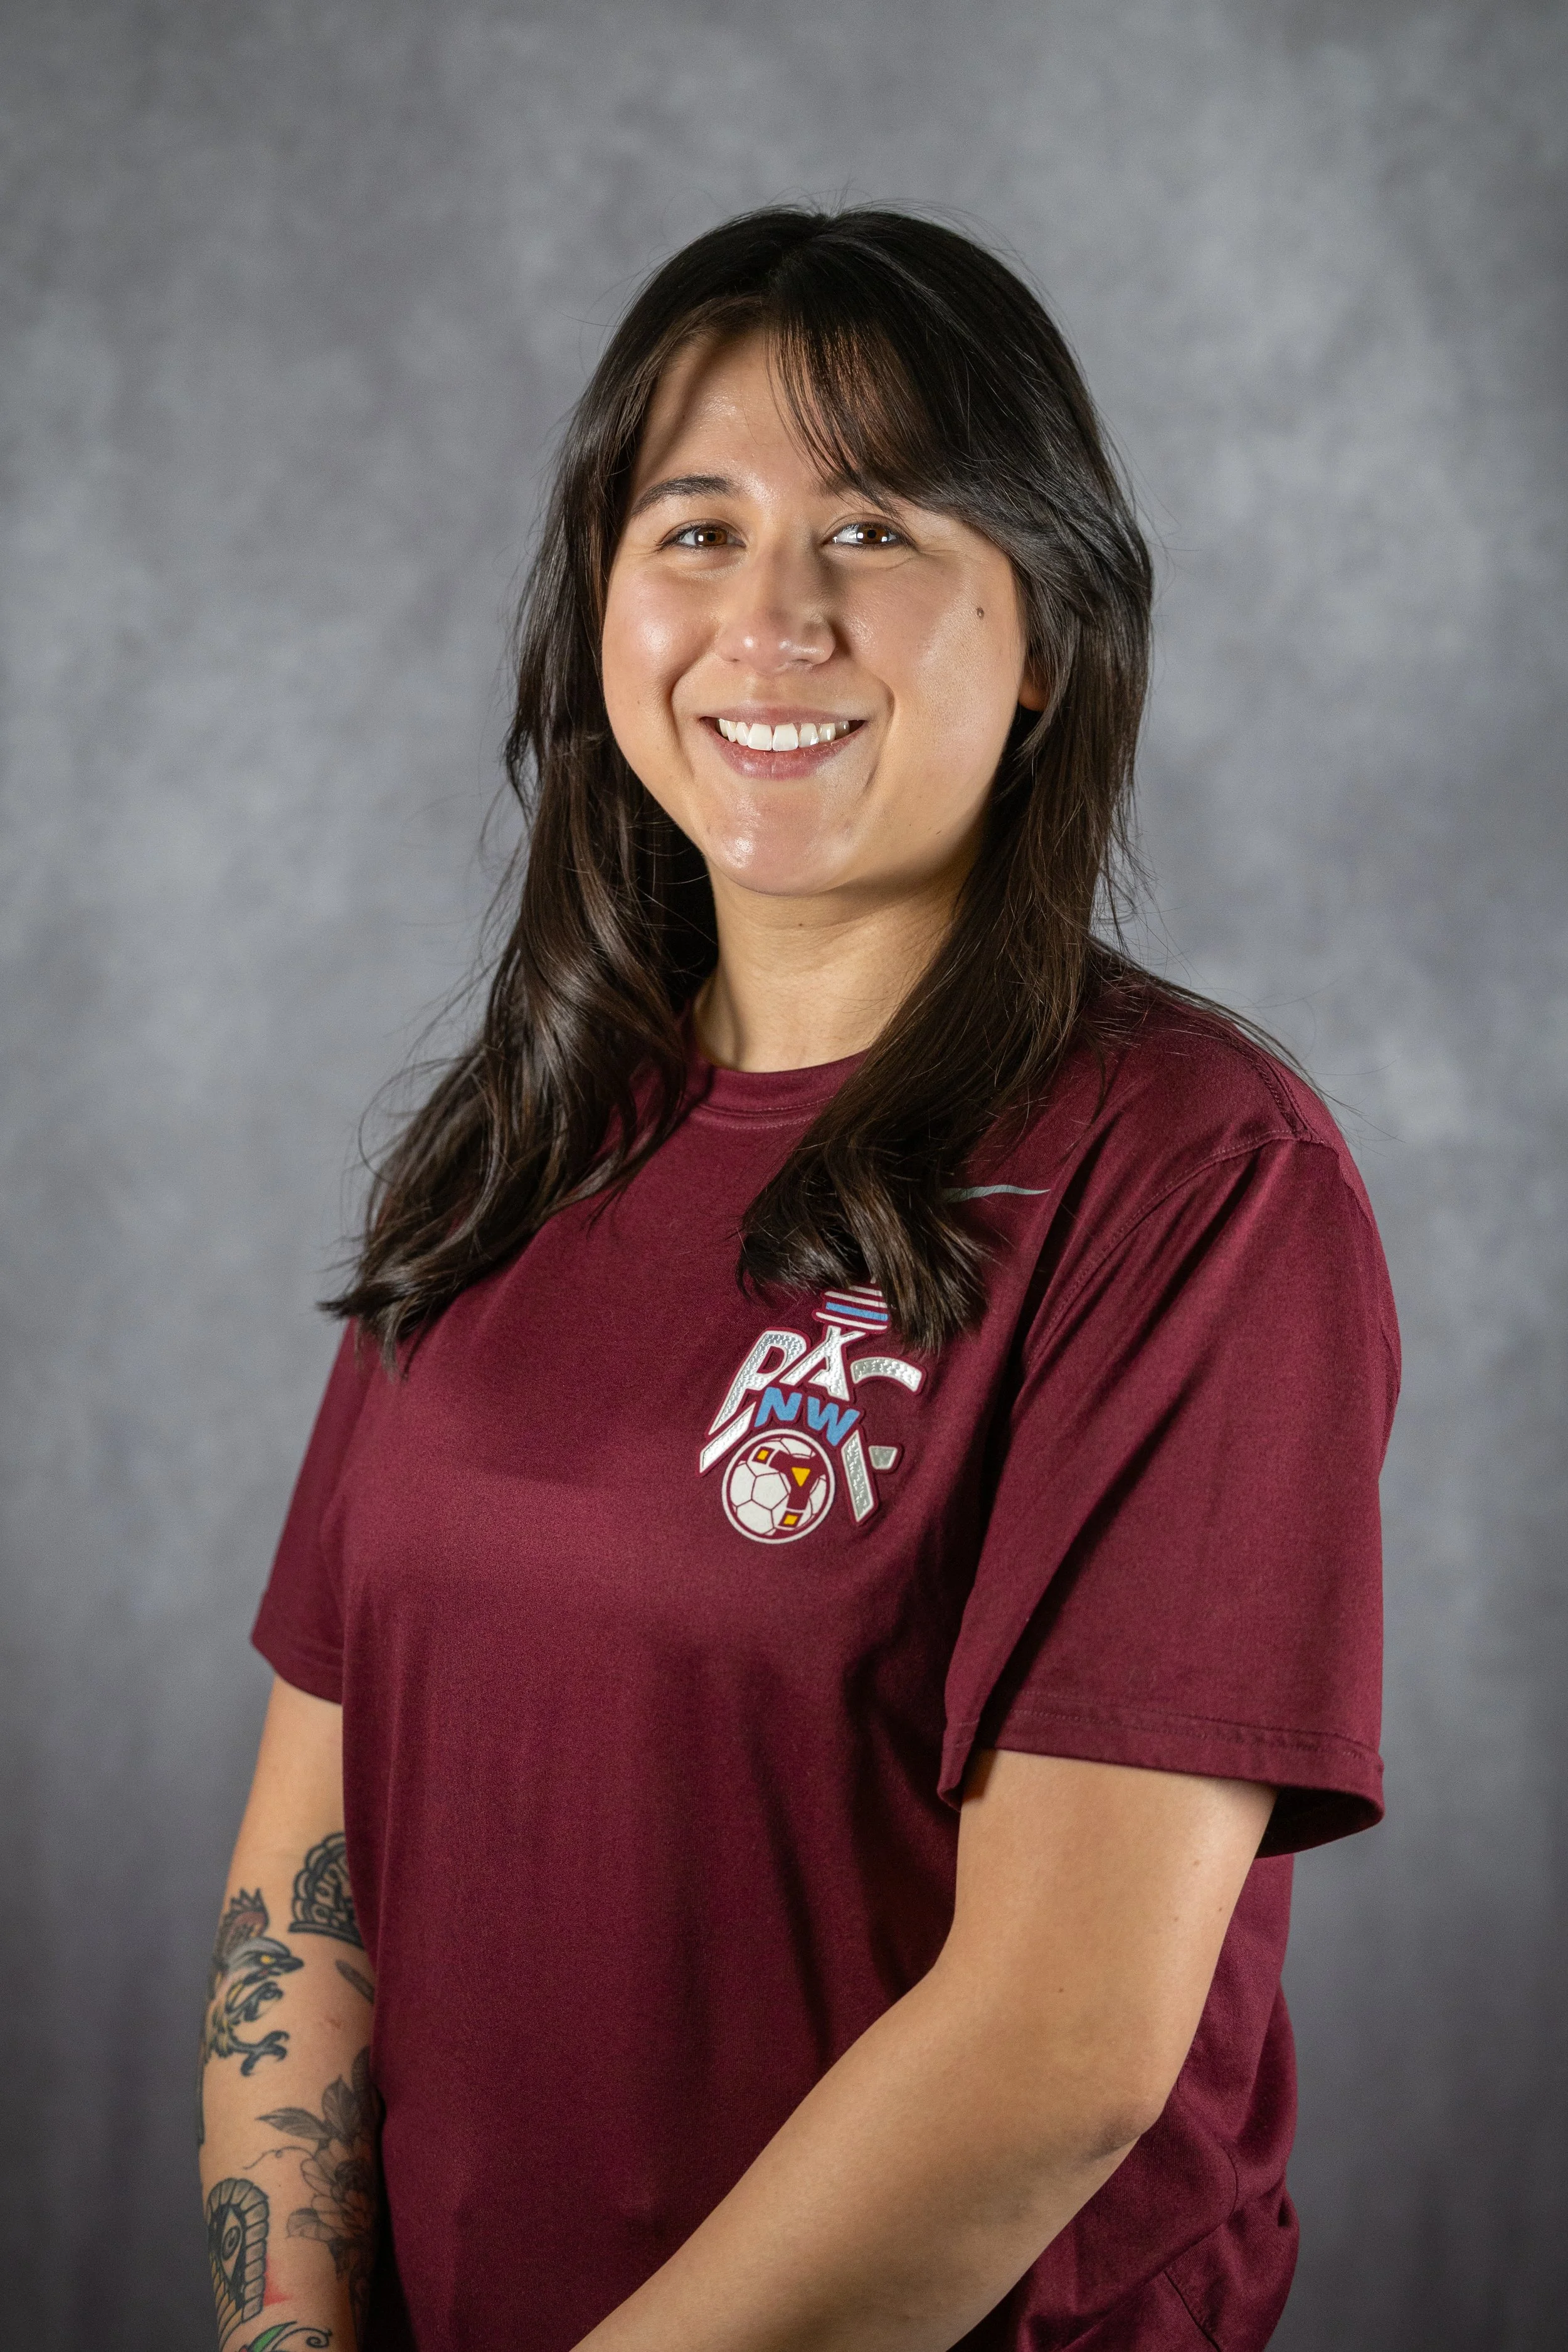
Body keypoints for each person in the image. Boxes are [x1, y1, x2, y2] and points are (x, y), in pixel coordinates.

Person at [197, 207, 1397, 2352]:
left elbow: (1056, 2051)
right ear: (602, 607)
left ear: (1044, 636)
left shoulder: (1196, 1177)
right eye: (695, 530)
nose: (771, 620)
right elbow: (311, 1883)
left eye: (871, 532)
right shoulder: (517, 1145)